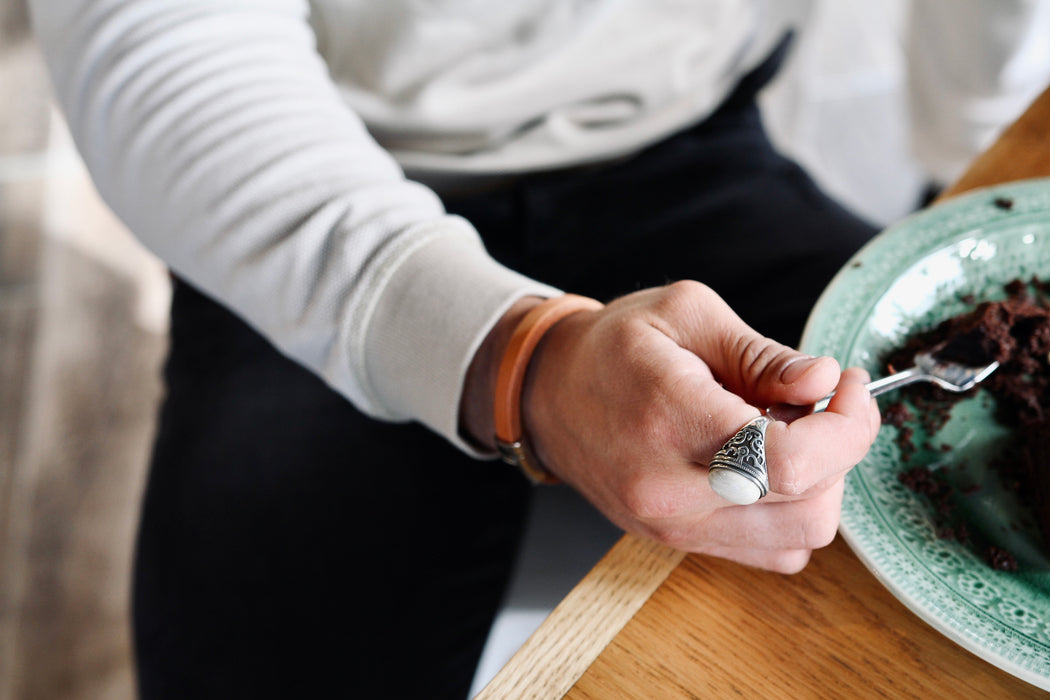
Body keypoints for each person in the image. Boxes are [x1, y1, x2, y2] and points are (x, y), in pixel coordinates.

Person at [24, 1, 1050, 698]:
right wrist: (526, 361)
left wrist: (959, 168)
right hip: (304, 161)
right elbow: (155, 36)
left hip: (685, 138)